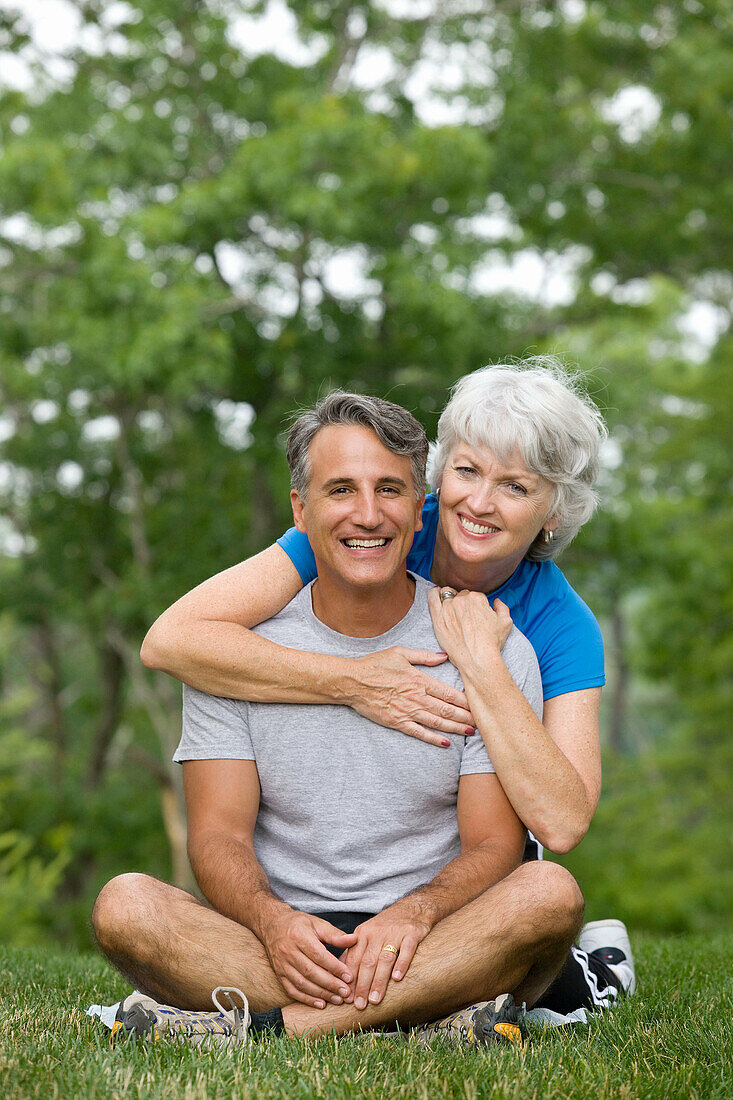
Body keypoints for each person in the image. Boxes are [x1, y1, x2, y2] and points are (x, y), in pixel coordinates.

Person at [92, 393, 585, 1046]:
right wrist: (274, 924)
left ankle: (269, 1030)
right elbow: (218, 838)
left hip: (434, 933)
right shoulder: (233, 654)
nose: (367, 513)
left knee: (547, 892)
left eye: (389, 490)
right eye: (340, 490)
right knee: (124, 906)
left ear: (419, 510)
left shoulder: (489, 646)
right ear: (301, 509)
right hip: (284, 942)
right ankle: (417, 1016)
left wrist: (415, 916)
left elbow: (495, 844)